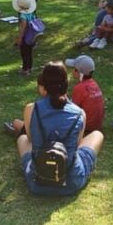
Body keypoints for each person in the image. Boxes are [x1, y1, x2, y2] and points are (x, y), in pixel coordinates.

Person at [15, 62, 104, 196]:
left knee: (22, 139)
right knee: (97, 135)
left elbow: (30, 138)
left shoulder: (31, 109)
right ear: (66, 85)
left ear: (43, 86)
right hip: (71, 182)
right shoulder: (80, 113)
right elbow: (77, 145)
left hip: (37, 181)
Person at [65, 55, 104, 134]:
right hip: (97, 125)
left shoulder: (79, 88)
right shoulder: (94, 84)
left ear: (79, 72)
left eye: (74, 69)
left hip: (86, 126)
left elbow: (72, 109)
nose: (73, 71)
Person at [13, 0, 38, 75]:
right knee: (29, 52)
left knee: (24, 53)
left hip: (25, 37)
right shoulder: (32, 13)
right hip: (31, 36)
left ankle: (25, 69)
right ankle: (30, 67)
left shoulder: (23, 16)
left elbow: (23, 27)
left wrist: (19, 38)